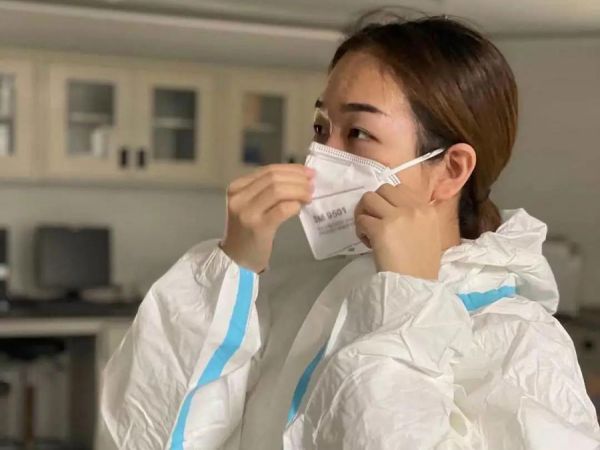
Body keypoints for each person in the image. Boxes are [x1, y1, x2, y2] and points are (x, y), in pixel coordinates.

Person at [101, 13, 600, 450]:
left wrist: (406, 305)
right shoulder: (308, 298)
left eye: (358, 133)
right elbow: (161, 434)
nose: (322, 158)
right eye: (322, 129)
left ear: (450, 170)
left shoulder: (517, 340)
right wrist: (231, 268)